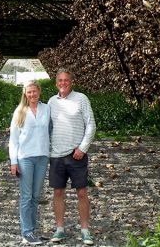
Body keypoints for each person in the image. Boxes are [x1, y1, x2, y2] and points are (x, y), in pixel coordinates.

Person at [47, 69, 96, 245]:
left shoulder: (81, 99)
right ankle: (60, 229)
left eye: (66, 80)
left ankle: (85, 230)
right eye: (60, 80)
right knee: (58, 192)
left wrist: (83, 148)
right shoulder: (51, 102)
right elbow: (47, 127)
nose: (63, 83)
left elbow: (91, 125)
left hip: (76, 155)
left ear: (71, 82)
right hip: (57, 155)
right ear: (56, 83)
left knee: (82, 192)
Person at [8, 80, 51, 245]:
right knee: (26, 196)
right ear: (25, 94)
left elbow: (51, 130)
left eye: (34, 91)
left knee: (35, 196)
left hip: (42, 157)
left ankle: (32, 230)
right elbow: (14, 140)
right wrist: (14, 162)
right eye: (29, 92)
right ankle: (26, 232)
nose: (32, 94)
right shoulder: (20, 111)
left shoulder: (46, 109)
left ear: (39, 91)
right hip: (25, 158)